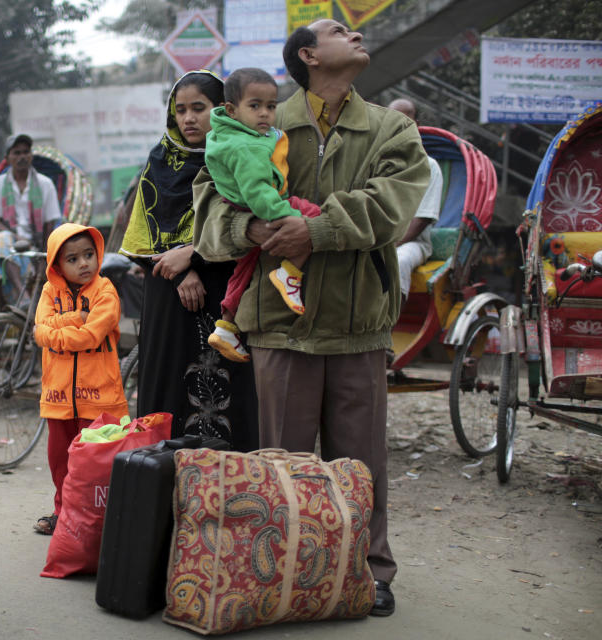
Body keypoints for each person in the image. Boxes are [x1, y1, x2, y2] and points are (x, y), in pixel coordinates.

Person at [193, 20, 432, 617]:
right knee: (284, 464)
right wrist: (251, 228)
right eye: (336, 29)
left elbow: (391, 209)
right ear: (308, 55)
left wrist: (314, 229)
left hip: (358, 323)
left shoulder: (391, 129)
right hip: (280, 321)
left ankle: (370, 570)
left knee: (362, 462)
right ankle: (284, 574)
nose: (353, 33)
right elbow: (210, 204)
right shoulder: (261, 118)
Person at [119, 70, 259, 452]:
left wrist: (195, 258)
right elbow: (141, 236)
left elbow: (249, 225)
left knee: (227, 392)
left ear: (223, 111)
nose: (189, 119)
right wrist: (182, 273)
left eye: (199, 108)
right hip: (168, 294)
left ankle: (230, 492)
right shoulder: (161, 161)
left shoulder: (241, 158)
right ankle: (163, 491)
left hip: (226, 292)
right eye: (181, 110)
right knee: (168, 394)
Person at [203, 67, 321, 363]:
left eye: (271, 106)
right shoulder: (246, 145)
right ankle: (289, 273)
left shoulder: (231, 134)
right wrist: (285, 215)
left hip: (244, 208)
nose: (265, 114)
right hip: (265, 206)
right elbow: (257, 189)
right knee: (315, 218)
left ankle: (226, 326)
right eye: (255, 106)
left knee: (244, 268)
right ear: (231, 109)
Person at [32, 223, 128, 535]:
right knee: (60, 461)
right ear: (56, 266)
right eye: (72, 259)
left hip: (99, 396)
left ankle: (94, 519)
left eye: (88, 254)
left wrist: (56, 331)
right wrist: (74, 318)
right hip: (58, 395)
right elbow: (39, 331)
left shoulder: (106, 291)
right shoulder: (50, 291)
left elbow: (90, 336)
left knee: (94, 466)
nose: (83, 263)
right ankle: (63, 513)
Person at [0, 133, 63, 309]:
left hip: (36, 247)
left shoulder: (45, 184)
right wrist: (17, 237)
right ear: (7, 158)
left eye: (25, 152)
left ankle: (24, 300)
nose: (22, 157)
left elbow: (50, 225)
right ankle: (22, 294)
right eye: (16, 153)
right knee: (0, 237)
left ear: (31, 155)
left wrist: (44, 258)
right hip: (10, 246)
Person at [387, 98, 444, 301]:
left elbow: (422, 220)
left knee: (398, 260)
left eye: (405, 119)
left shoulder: (429, 166)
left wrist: (390, 245)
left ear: (416, 124)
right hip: (377, 237)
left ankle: (389, 324)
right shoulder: (376, 161)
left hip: (413, 243)